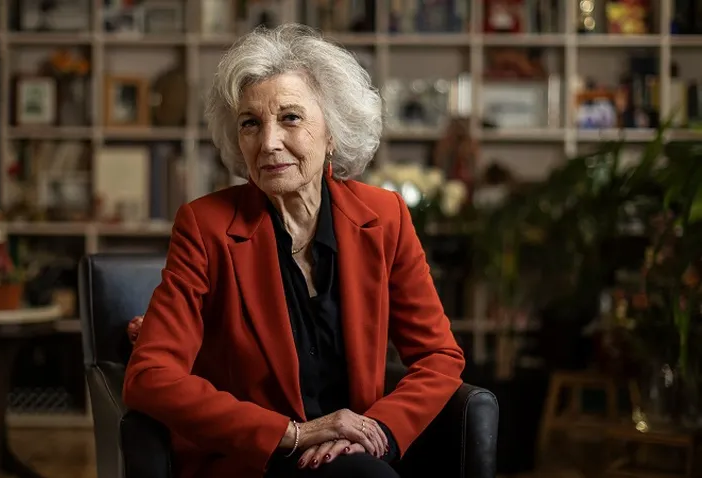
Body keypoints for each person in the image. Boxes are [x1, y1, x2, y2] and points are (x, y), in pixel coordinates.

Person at [123, 24, 465, 478]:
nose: (268, 143)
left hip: (356, 453)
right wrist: (294, 433)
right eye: (250, 123)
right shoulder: (205, 227)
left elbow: (439, 357)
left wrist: (376, 430)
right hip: (259, 459)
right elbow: (149, 377)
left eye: (290, 118)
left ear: (333, 132)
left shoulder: (385, 217)